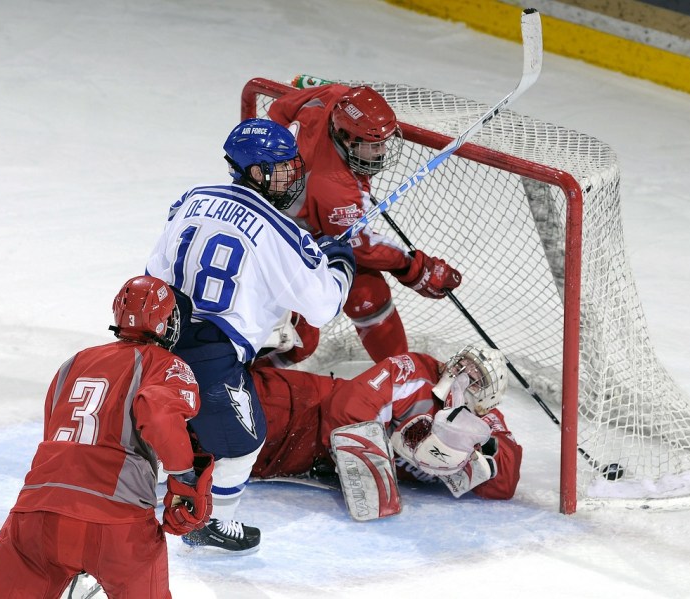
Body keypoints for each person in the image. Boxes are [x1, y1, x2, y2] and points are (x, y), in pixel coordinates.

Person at [145, 118, 354, 554]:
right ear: (255, 172)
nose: (292, 176)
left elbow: (154, 272)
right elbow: (323, 307)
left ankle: (133, 488)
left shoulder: (192, 198)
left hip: (154, 339)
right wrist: (338, 263)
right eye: (282, 168)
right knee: (243, 442)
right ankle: (210, 523)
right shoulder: (282, 231)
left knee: (151, 422)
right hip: (210, 354)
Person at [0, 276, 214, 599]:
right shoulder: (166, 364)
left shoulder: (73, 362)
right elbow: (158, 415)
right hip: (116, 524)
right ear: (166, 323)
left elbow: (54, 431)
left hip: (36, 514)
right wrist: (185, 478)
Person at [267, 83, 463, 365]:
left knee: (367, 291)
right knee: (301, 337)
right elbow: (363, 247)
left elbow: (279, 110)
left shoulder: (334, 96)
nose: (382, 151)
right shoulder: (336, 189)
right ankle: (255, 377)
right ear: (347, 140)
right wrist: (415, 268)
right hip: (287, 243)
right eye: (374, 145)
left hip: (278, 209)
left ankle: (400, 376)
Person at [250, 345, 522, 503]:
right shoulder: (416, 371)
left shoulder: (484, 424)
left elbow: (505, 483)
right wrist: (376, 479)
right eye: (464, 363)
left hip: (294, 455)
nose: (463, 373)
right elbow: (347, 409)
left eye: (477, 378)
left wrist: (467, 457)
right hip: (295, 407)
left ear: (485, 404)